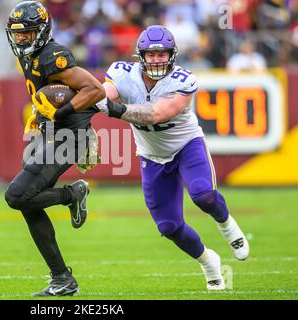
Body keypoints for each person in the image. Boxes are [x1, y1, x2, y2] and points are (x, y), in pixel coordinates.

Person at [97, 25, 250, 290]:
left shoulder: (183, 79)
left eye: (162, 54)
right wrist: (86, 101)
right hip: (152, 155)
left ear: (172, 55)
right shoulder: (122, 73)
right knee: (169, 227)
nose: (157, 59)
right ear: (140, 55)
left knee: (204, 195)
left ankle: (227, 225)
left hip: (186, 145)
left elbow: (156, 114)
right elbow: (104, 95)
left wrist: (113, 109)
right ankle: (208, 261)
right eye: (151, 54)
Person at [4, 1, 105, 296]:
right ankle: (62, 278)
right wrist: (39, 117)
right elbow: (44, 93)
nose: (21, 40)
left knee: (16, 195)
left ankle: (73, 193)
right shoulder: (29, 55)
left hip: (69, 136)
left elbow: (95, 90)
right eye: (18, 35)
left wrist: (59, 114)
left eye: (28, 34)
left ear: (43, 31)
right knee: (26, 200)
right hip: (50, 134)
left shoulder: (53, 56)